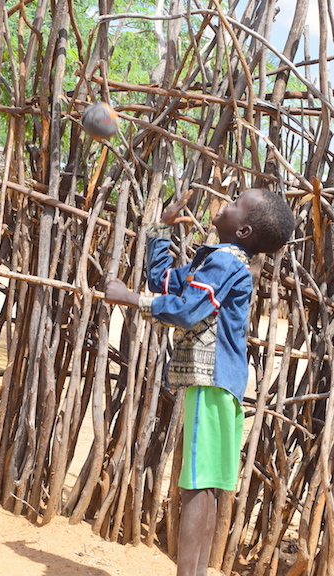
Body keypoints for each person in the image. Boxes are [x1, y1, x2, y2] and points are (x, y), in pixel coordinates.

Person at [104, 187, 295, 576]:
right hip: (221, 384)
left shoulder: (225, 264)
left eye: (236, 202)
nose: (225, 201)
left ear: (242, 230)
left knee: (195, 486)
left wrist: (130, 300)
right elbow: (166, 283)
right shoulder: (219, 263)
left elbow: (188, 311)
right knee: (205, 487)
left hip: (211, 383)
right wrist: (162, 229)